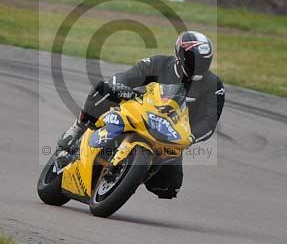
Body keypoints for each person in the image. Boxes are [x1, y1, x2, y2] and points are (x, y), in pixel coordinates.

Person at [57, 31, 225, 199]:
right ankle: (78, 128)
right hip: (138, 109)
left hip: (170, 133)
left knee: (169, 186)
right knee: (105, 89)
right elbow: (129, 76)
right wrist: (121, 85)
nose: (199, 65)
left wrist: (191, 137)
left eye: (204, 61)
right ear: (180, 54)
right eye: (194, 60)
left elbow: (209, 121)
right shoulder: (160, 63)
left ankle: (130, 175)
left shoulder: (213, 85)